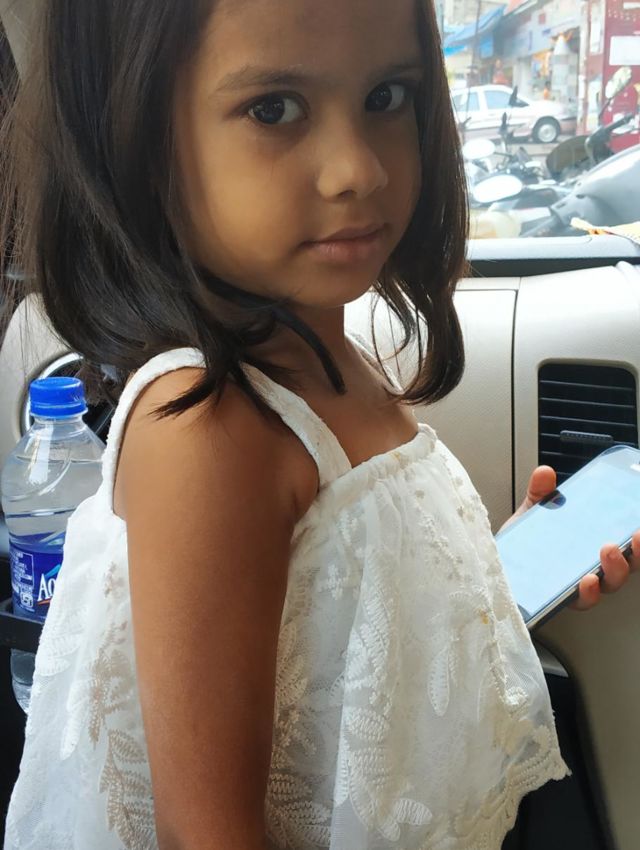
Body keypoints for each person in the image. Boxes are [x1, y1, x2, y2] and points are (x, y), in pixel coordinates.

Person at [2, 0, 638, 848]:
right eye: (274, 109)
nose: (358, 170)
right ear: (138, 140)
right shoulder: (208, 431)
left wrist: (485, 580)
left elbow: (352, 622)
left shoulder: (335, 359)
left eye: (387, 97)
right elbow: (209, 833)